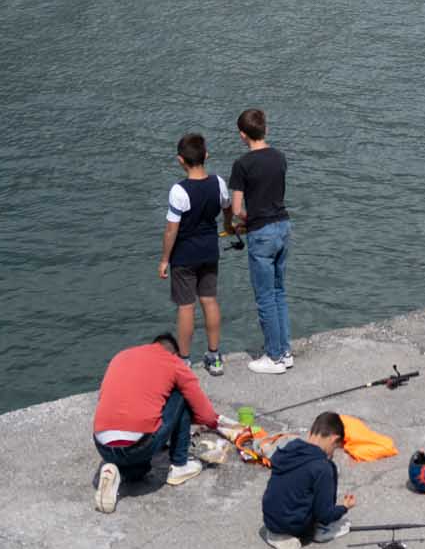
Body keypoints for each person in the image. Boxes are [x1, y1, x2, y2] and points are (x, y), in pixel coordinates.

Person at [90, 332, 222, 514]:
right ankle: (180, 466)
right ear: (174, 353)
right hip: (139, 444)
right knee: (181, 395)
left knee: (141, 470)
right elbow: (206, 414)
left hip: (102, 444)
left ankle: (117, 474)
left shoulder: (121, 356)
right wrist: (211, 423)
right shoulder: (173, 362)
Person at [229, 107, 293, 375]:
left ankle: (274, 356)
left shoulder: (242, 165)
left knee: (265, 296)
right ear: (265, 129)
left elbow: (236, 209)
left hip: (262, 233)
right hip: (284, 227)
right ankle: (285, 351)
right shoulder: (279, 158)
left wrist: (246, 219)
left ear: (242, 135)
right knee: (279, 293)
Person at [160, 133, 230, 376]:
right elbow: (227, 208)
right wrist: (229, 227)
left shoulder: (179, 191)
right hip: (210, 250)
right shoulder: (218, 183)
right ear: (206, 156)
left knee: (186, 307)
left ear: (181, 160)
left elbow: (171, 230)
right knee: (209, 301)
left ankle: (185, 360)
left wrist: (164, 259)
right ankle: (214, 355)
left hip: (184, 256)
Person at [259, 411, 359, 549]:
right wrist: (343, 507)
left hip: (270, 519)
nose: (332, 453)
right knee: (326, 511)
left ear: (312, 431)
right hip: (292, 526)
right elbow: (325, 515)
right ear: (333, 439)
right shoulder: (323, 467)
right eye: (335, 448)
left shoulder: (289, 448)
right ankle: (308, 532)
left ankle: (277, 533)